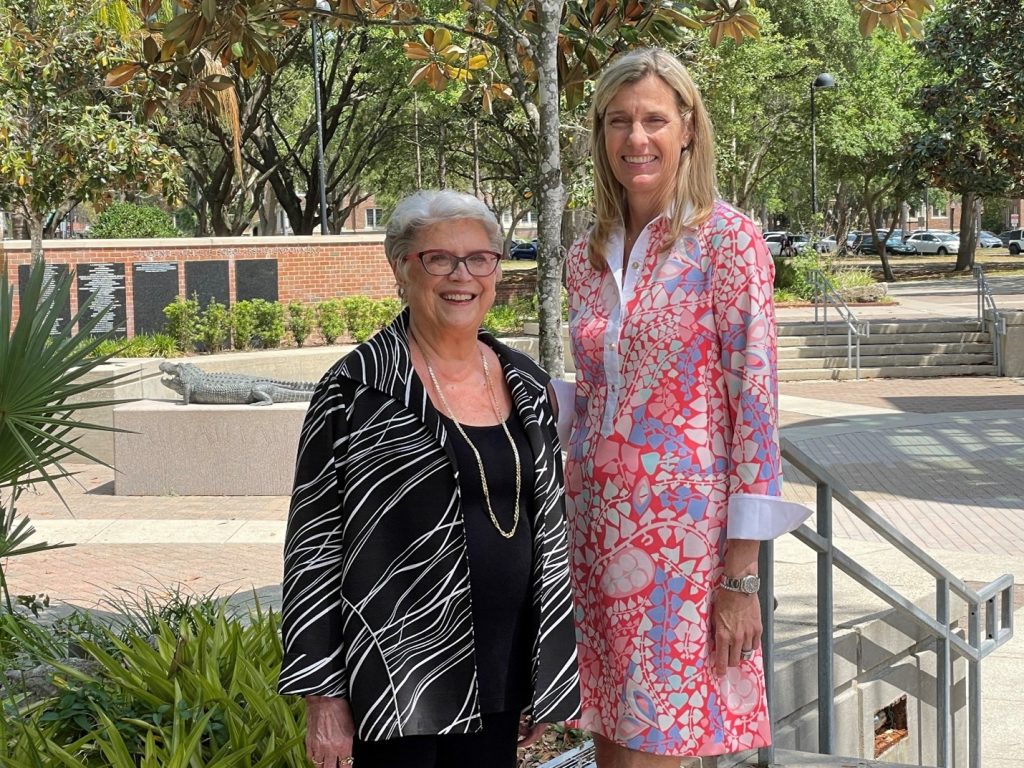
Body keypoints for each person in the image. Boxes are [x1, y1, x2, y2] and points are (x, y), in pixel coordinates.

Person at [559, 48, 811, 767]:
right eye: (619, 121)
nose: (636, 138)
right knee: (610, 738)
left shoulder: (727, 240)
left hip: (683, 549)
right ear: (601, 134)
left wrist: (740, 578)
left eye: (654, 120)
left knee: (660, 745)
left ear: (689, 129)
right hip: (594, 534)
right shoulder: (586, 255)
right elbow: (593, 390)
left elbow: (755, 411)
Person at [279, 189, 580, 768]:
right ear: (400, 268)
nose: (461, 275)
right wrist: (323, 695)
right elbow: (312, 546)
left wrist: (548, 673)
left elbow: (548, 531)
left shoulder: (527, 383)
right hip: (397, 685)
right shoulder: (356, 389)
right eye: (438, 259)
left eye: (479, 258)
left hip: (503, 674)